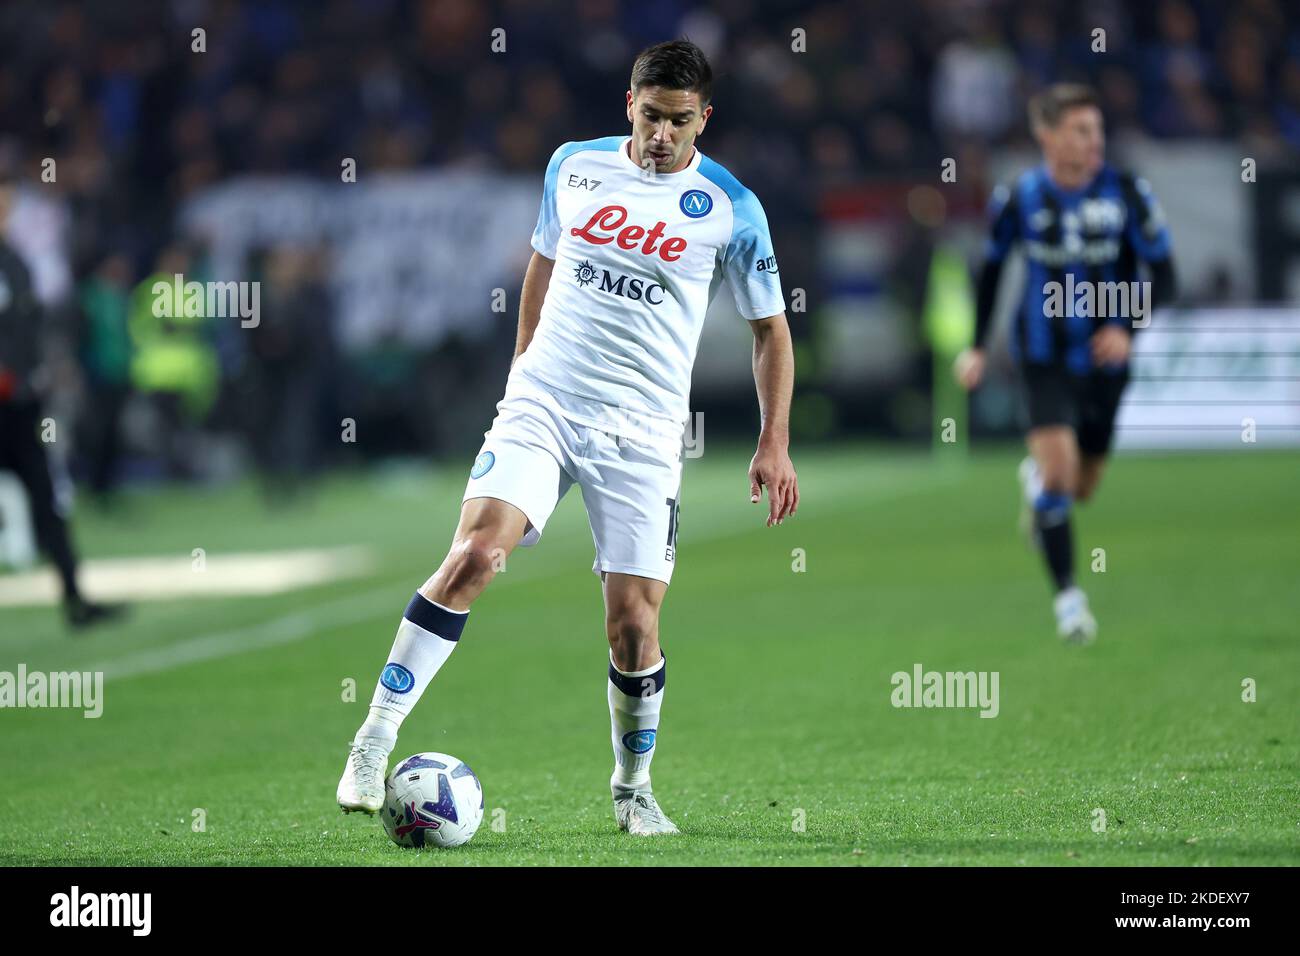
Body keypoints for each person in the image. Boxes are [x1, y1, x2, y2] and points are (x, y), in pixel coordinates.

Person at [337, 40, 799, 835]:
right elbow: (541, 266)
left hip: (645, 430)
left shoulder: (732, 207)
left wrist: (774, 440)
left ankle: (633, 787)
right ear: (630, 105)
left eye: (679, 122)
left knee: (633, 624)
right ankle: (372, 741)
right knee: (476, 555)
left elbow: (771, 331)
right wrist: (522, 370)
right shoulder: (574, 166)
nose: (662, 135)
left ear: (704, 120)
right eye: (650, 116)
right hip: (545, 400)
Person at [954, 84, 1176, 643]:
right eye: (1080, 130)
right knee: (1060, 476)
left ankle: (1041, 487)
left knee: (1082, 486)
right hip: (1041, 355)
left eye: (1097, 131)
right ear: (1047, 135)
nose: (1093, 141)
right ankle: (1070, 602)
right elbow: (993, 273)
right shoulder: (1020, 197)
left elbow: (1167, 276)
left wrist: (1125, 325)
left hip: (1105, 361)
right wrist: (978, 345)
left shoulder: (1128, 192)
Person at [0, 170, 124, 630]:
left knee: (47, 498)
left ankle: (75, 597)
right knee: (43, 496)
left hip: (17, 405)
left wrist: (40, 372)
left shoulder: (14, 258)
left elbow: (29, 328)